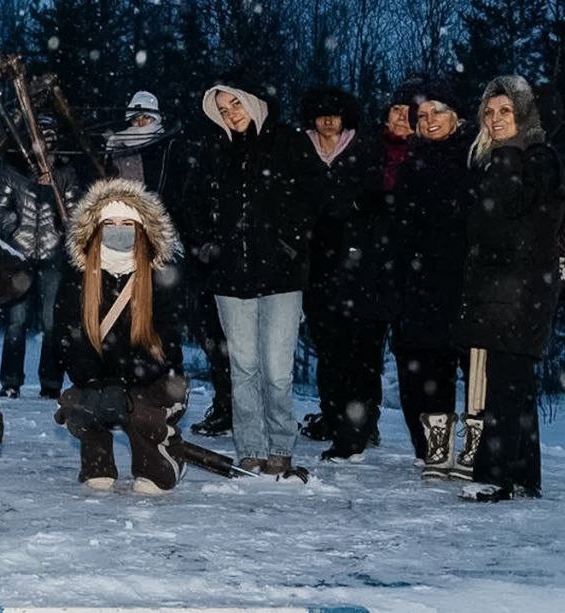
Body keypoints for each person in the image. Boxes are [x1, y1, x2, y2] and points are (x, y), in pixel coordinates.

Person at [186, 82, 317, 475]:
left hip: (281, 277)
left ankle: (280, 444)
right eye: (222, 109)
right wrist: (206, 246)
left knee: (276, 370)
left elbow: (314, 197)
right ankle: (251, 447)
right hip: (230, 278)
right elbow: (190, 203)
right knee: (243, 368)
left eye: (235, 104)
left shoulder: (288, 141)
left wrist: (290, 244)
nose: (231, 114)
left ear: (253, 101)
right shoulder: (214, 151)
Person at [454, 76, 564, 501]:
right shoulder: (498, 158)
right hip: (507, 285)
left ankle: (493, 475)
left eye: (505, 111)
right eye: (489, 111)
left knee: (505, 380)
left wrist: (493, 252)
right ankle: (523, 474)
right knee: (514, 381)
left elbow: (521, 226)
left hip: (522, 288)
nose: (496, 119)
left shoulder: (533, 158)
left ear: (522, 112)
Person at [108, 89, 232, 437]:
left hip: (170, 248)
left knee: (170, 324)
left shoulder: (172, 147)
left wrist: (184, 236)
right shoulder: (115, 149)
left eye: (147, 115)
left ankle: (171, 396)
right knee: (129, 324)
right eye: (136, 117)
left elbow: (183, 198)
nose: (141, 122)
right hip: (125, 247)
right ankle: (133, 394)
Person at [51, 178, 187, 493]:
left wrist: (124, 384)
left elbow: (165, 346)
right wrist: (96, 383)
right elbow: (68, 339)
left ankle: (162, 460)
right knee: (80, 401)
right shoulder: (78, 276)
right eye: (109, 223)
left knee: (137, 409)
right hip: (103, 378)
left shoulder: (160, 274)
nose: (118, 230)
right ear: (96, 229)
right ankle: (97, 463)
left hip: (156, 381)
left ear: (142, 229)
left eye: (127, 223)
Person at [299, 87, 396, 461]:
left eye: (335, 114)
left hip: (361, 269)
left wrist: (349, 208)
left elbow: (375, 204)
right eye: (321, 114)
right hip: (317, 269)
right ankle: (334, 416)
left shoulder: (364, 150)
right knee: (329, 351)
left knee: (363, 355)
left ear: (346, 119)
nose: (327, 121)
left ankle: (359, 425)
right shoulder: (302, 151)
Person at [394, 81, 474, 476]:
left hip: (467, 281)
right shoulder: (411, 166)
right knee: (423, 371)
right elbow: (401, 229)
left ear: (456, 116)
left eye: (437, 112)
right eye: (422, 116)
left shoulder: (477, 160)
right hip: (420, 284)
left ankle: (478, 452)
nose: (429, 121)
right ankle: (434, 450)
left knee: (477, 373)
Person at [0, 115, 79, 399]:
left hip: (53, 254)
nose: (44, 140)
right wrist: (14, 231)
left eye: (49, 133)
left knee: (52, 321)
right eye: (39, 133)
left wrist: (55, 196)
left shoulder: (66, 171)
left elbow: (75, 211)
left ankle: (51, 382)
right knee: (17, 320)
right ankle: (11, 381)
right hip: (20, 255)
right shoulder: (13, 169)